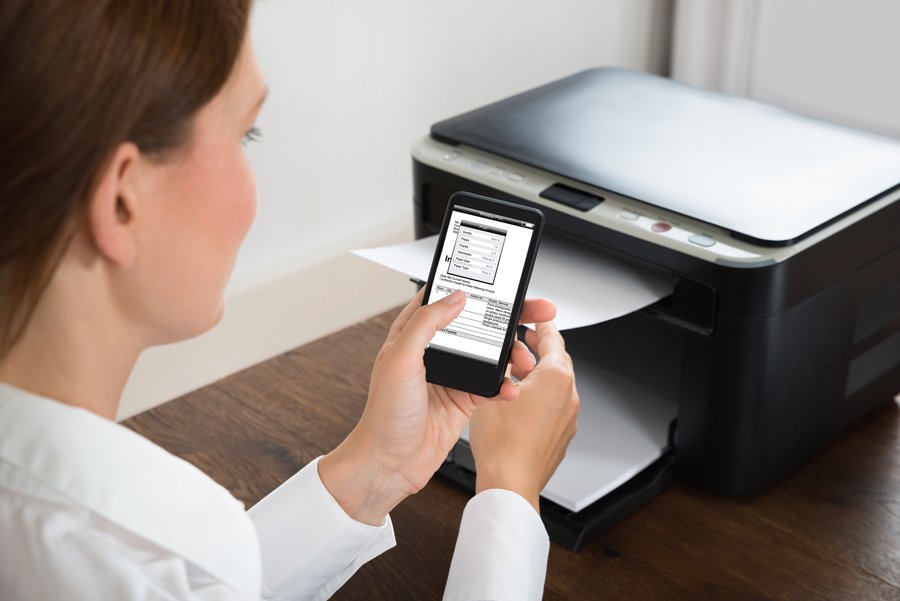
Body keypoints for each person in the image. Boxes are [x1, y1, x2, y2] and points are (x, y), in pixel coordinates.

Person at [0, 1, 580, 600]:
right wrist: (510, 490)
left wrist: (379, 466)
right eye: (244, 134)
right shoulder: (123, 567)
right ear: (123, 200)